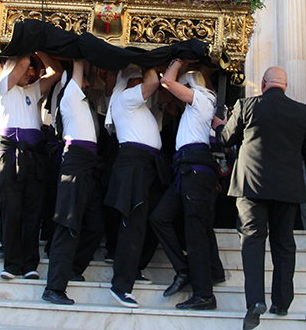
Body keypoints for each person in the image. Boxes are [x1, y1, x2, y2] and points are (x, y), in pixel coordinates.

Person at [212, 67, 306, 329]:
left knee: (252, 241)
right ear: (286, 85)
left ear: (263, 83)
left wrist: (219, 127)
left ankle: (255, 302)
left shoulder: (247, 105)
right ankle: (282, 302)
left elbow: (227, 138)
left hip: (251, 187)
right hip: (288, 188)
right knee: (284, 243)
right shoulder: (302, 112)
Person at [149, 60, 221, 310]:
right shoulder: (195, 106)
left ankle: (204, 295)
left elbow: (167, 82)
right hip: (186, 170)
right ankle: (184, 270)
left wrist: (177, 61)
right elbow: (169, 98)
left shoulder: (202, 99)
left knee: (195, 233)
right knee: (159, 217)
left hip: (194, 171)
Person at [42, 60, 105, 305]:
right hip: (76, 164)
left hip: (88, 167)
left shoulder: (81, 104)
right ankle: (54, 288)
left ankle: (72, 267)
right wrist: (80, 58)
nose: (88, 84)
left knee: (95, 225)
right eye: (85, 80)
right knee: (67, 226)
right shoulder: (70, 95)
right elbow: (78, 70)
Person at [0, 53, 61, 280]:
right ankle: (11, 263)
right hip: (11, 155)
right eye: (27, 68)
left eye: (34, 69)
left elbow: (58, 72)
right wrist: (30, 43)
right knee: (13, 209)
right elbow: (21, 63)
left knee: (33, 210)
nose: (30, 72)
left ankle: (30, 263)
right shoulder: (5, 85)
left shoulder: (33, 90)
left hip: (33, 156)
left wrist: (42, 52)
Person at [104, 66, 166, 308]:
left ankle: (136, 266)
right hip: (135, 165)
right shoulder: (125, 98)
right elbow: (152, 82)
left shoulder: (137, 104)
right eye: (137, 81)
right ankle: (121, 285)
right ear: (130, 84)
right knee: (133, 225)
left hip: (148, 165)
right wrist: (148, 59)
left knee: (156, 219)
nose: (143, 85)